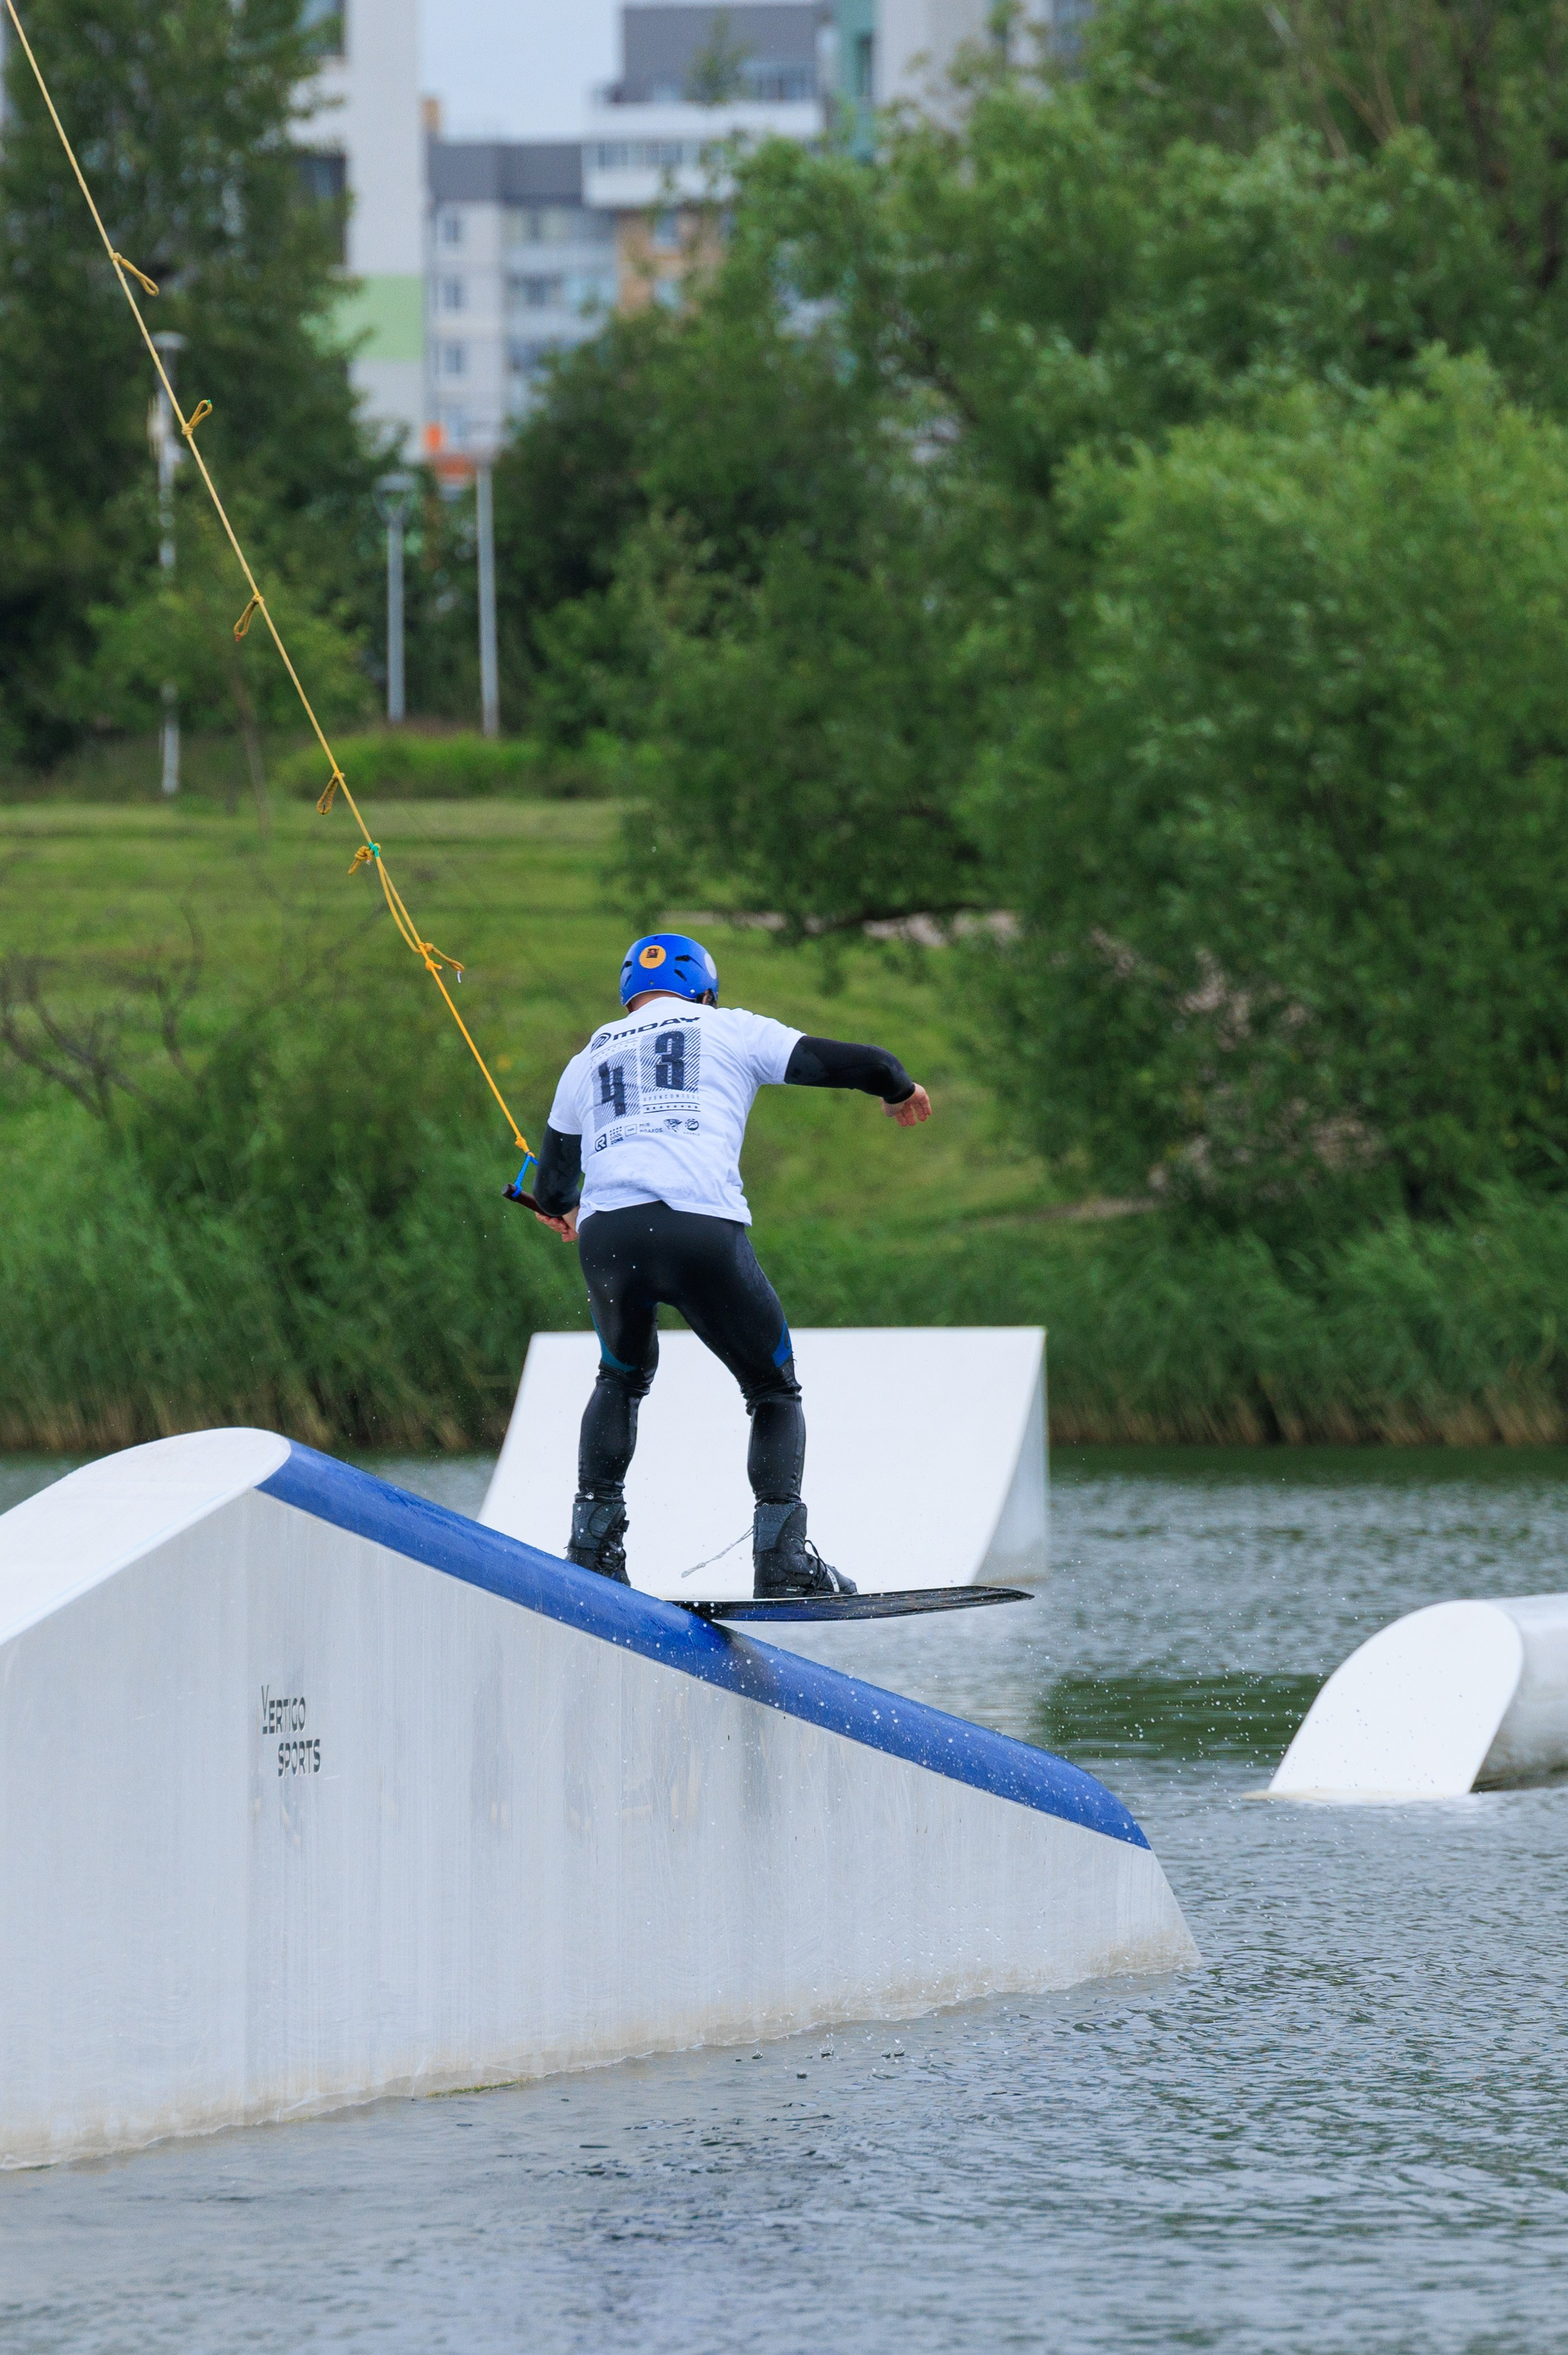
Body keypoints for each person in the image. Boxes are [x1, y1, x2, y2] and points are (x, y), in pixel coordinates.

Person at [529, 932, 932, 1597]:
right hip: (697, 1229)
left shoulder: (588, 1056)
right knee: (772, 1390)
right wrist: (897, 1088)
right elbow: (860, 1061)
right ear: (705, 992)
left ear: (629, 997)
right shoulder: (727, 1029)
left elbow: (551, 1190)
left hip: (610, 1240)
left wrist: (560, 1207)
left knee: (621, 1379)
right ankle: (782, 1562)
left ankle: (593, 1547)